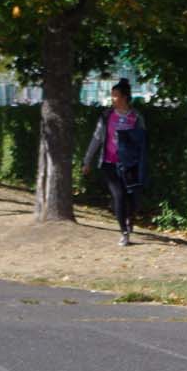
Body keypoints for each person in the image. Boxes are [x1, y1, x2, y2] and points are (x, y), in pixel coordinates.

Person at [81, 78, 148, 247]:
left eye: (116, 96)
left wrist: (142, 162)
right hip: (109, 163)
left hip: (129, 164)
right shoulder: (106, 116)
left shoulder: (136, 117)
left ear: (125, 97)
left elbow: (142, 141)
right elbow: (97, 138)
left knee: (131, 198)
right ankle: (124, 233)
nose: (113, 99)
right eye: (112, 96)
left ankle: (129, 219)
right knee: (118, 195)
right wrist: (87, 160)